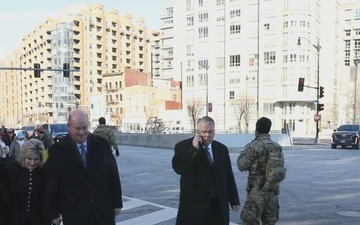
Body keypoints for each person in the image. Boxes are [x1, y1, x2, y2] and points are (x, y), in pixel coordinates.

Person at [44, 109, 123, 225]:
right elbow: (51, 183)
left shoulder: (102, 145)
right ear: (69, 127)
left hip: (102, 210)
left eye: (84, 128)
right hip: (75, 213)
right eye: (77, 129)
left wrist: (117, 202)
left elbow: (113, 175)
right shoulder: (57, 151)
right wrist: (52, 212)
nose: (81, 132)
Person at [172, 116, 240, 225]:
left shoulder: (221, 149)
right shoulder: (183, 146)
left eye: (210, 131)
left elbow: (228, 175)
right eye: (204, 132)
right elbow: (179, 168)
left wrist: (234, 199)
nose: (207, 135)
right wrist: (194, 149)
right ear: (197, 132)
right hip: (194, 206)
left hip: (218, 204)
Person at [237, 117, 284, 225]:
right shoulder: (277, 147)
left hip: (257, 191)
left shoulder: (254, 146)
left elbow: (241, 166)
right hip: (273, 190)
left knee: (250, 221)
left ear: (256, 129)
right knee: (270, 222)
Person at [1, 139, 49, 225]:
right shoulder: (12, 169)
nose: (32, 163)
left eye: (36, 159)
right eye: (29, 159)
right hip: (16, 219)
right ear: (23, 157)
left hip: (39, 219)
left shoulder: (45, 171)